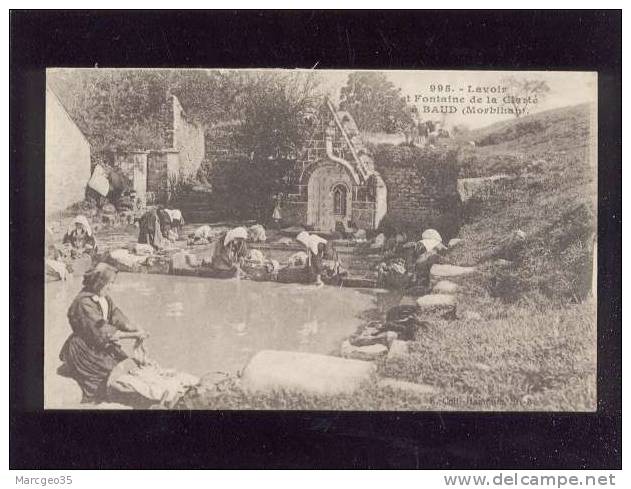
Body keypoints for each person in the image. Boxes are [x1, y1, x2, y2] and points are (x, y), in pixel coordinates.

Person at [59, 263, 148, 403]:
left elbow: (116, 316)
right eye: (109, 283)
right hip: (83, 348)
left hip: (101, 343)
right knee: (108, 374)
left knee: (126, 363)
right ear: (100, 282)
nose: (111, 286)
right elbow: (102, 330)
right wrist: (134, 336)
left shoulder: (104, 298)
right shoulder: (83, 303)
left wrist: (136, 328)